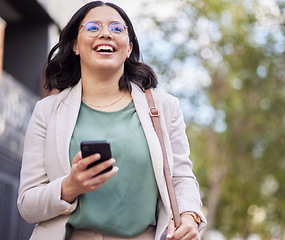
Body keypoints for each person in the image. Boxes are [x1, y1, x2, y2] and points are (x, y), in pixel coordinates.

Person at [17, 1, 206, 240]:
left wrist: (189, 215)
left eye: (118, 29)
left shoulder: (164, 107)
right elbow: (27, 204)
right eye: (93, 27)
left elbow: (181, 177)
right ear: (75, 44)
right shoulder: (46, 111)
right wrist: (71, 186)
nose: (106, 33)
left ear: (128, 48)